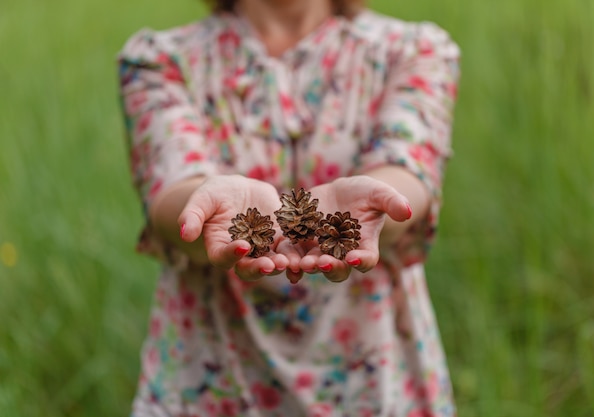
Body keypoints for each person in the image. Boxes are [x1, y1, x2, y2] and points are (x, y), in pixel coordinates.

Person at [118, 0, 460, 415]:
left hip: (372, 385)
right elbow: (171, 187)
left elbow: (407, 169)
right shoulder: (159, 62)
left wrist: (378, 201)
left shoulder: (414, 50)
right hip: (213, 384)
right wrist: (204, 203)